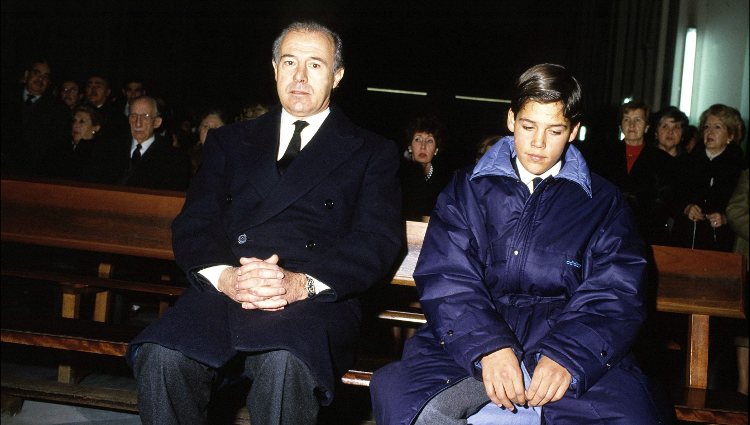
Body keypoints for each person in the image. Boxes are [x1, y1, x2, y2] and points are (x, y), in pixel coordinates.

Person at [126, 21, 402, 425]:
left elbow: (376, 241)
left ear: (337, 76)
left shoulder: (371, 151)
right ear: (274, 68)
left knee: (285, 364)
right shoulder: (230, 142)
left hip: (314, 300)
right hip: (227, 290)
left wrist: (297, 284)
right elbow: (195, 224)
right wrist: (225, 278)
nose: (300, 77)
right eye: (289, 62)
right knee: (162, 354)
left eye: (315, 65)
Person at [371, 63, 672, 425]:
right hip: (472, 334)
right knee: (410, 402)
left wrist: (568, 355)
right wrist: (489, 348)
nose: (538, 143)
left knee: (632, 415)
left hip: (567, 336)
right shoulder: (466, 189)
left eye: (555, 130)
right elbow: (447, 275)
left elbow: (617, 289)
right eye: (528, 126)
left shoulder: (603, 202)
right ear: (511, 119)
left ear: (574, 130)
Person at [673, 104, 746, 252]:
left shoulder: (740, 167)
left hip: (721, 241)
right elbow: (673, 195)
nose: (710, 132)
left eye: (717, 127)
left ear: (730, 136)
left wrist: (725, 218)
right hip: (686, 238)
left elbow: (741, 209)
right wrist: (686, 208)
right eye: (706, 127)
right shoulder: (688, 161)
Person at [93, 95, 191, 191]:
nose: (138, 123)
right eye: (133, 116)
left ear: (157, 122)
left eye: (145, 116)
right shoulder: (108, 149)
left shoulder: (175, 159)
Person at [1, 58, 70, 176]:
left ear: (49, 82)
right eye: (36, 73)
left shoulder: (59, 109)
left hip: (38, 173)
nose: (41, 79)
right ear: (27, 74)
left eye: (46, 76)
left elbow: (58, 147)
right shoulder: (6, 98)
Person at [399, 115, 452, 221]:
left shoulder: (446, 183)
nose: (423, 146)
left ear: (436, 149)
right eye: (418, 139)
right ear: (410, 146)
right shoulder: (397, 177)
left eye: (429, 141)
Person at [48, 105, 102, 181]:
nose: (75, 125)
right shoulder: (60, 148)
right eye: (74, 121)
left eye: (82, 122)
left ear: (96, 127)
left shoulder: (99, 153)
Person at [191, 108, 227, 173]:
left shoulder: (231, 160)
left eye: (216, 128)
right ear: (199, 130)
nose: (210, 132)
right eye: (205, 126)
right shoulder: (190, 159)